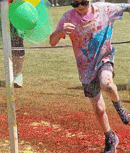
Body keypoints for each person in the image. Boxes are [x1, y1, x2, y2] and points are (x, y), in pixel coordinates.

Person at [49, 0, 130, 152]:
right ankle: (110, 137)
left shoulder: (105, 8)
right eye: (75, 4)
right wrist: (60, 32)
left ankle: (120, 108)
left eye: (83, 2)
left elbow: (127, 8)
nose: (79, 6)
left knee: (106, 83)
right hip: (85, 68)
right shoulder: (67, 17)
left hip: (104, 58)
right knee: (99, 108)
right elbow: (52, 42)